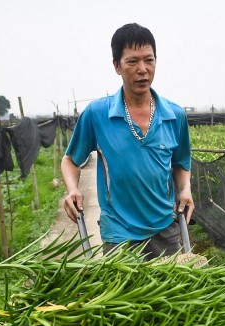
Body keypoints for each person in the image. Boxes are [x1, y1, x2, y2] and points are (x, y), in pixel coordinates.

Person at [60, 23, 194, 260]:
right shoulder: (97, 114)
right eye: (132, 62)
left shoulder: (175, 116)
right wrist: (72, 189)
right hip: (119, 234)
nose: (142, 69)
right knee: (123, 295)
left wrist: (185, 190)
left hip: (165, 227)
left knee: (173, 295)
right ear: (117, 66)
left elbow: (181, 164)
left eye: (149, 60)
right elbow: (71, 160)